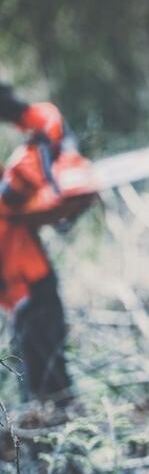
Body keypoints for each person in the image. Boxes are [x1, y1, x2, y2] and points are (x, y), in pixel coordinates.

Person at [0, 83, 73, 403]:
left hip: (23, 284)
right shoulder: (16, 181)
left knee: (39, 376)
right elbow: (17, 192)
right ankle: (52, 423)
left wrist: (17, 111)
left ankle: (47, 420)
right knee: (46, 380)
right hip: (26, 284)